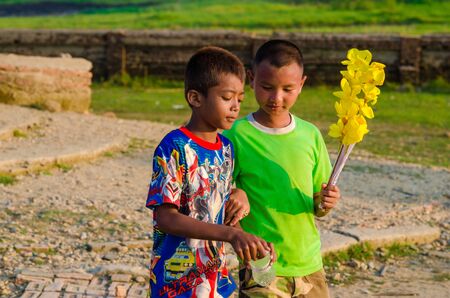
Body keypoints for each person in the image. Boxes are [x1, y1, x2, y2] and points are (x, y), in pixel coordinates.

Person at [146, 46, 274, 298]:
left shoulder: (226, 149)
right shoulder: (174, 147)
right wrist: (229, 234)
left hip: (215, 280)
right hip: (177, 282)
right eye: (227, 98)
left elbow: (219, 214)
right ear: (195, 98)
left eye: (240, 99)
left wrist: (246, 239)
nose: (235, 106)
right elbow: (165, 218)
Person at [223, 40, 341, 297]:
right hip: (261, 264)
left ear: (302, 84)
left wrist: (326, 201)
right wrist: (235, 200)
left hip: (309, 263)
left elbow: (317, 204)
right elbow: (217, 196)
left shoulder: (310, 135)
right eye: (267, 87)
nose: (277, 98)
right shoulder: (236, 135)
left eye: (288, 89)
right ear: (252, 79)